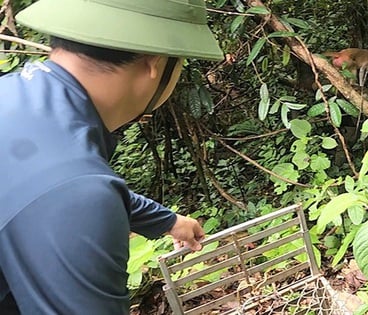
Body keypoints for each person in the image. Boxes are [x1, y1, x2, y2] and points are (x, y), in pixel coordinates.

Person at [0, 0, 224, 313]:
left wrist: (168, 221)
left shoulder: (16, 97)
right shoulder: (75, 190)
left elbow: (44, 187)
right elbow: (70, 194)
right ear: (155, 64)